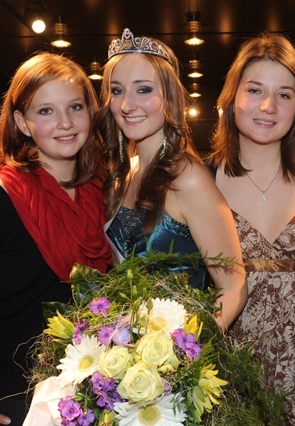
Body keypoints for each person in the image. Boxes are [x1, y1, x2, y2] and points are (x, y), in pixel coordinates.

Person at [0, 52, 113, 426]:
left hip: (81, 397)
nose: (65, 122)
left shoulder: (104, 196)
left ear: (91, 114)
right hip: (4, 403)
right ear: (22, 123)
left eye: (75, 107)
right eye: (46, 111)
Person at [206, 32, 295, 425]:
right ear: (232, 96)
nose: (268, 106)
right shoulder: (203, 178)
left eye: (284, 94)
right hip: (232, 366)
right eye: (255, 90)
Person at [99, 28, 246, 330]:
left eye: (143, 89)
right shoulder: (123, 175)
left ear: (169, 96)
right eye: (117, 90)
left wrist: (188, 348)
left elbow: (234, 287)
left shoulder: (187, 177)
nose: (126, 105)